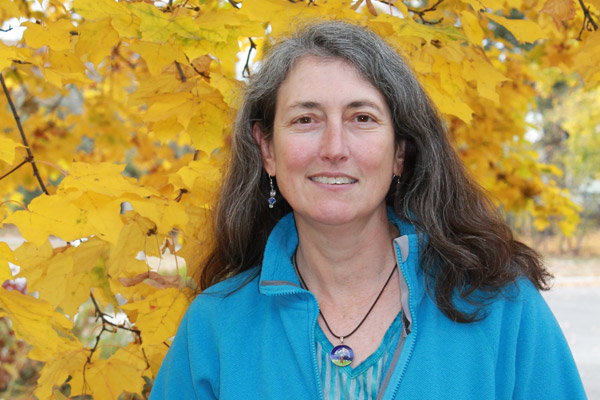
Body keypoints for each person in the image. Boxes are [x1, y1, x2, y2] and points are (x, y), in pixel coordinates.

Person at [150, 21, 586, 399]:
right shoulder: (215, 326)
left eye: (362, 118)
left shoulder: (502, 308)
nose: (334, 149)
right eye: (306, 119)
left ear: (400, 152)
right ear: (267, 150)